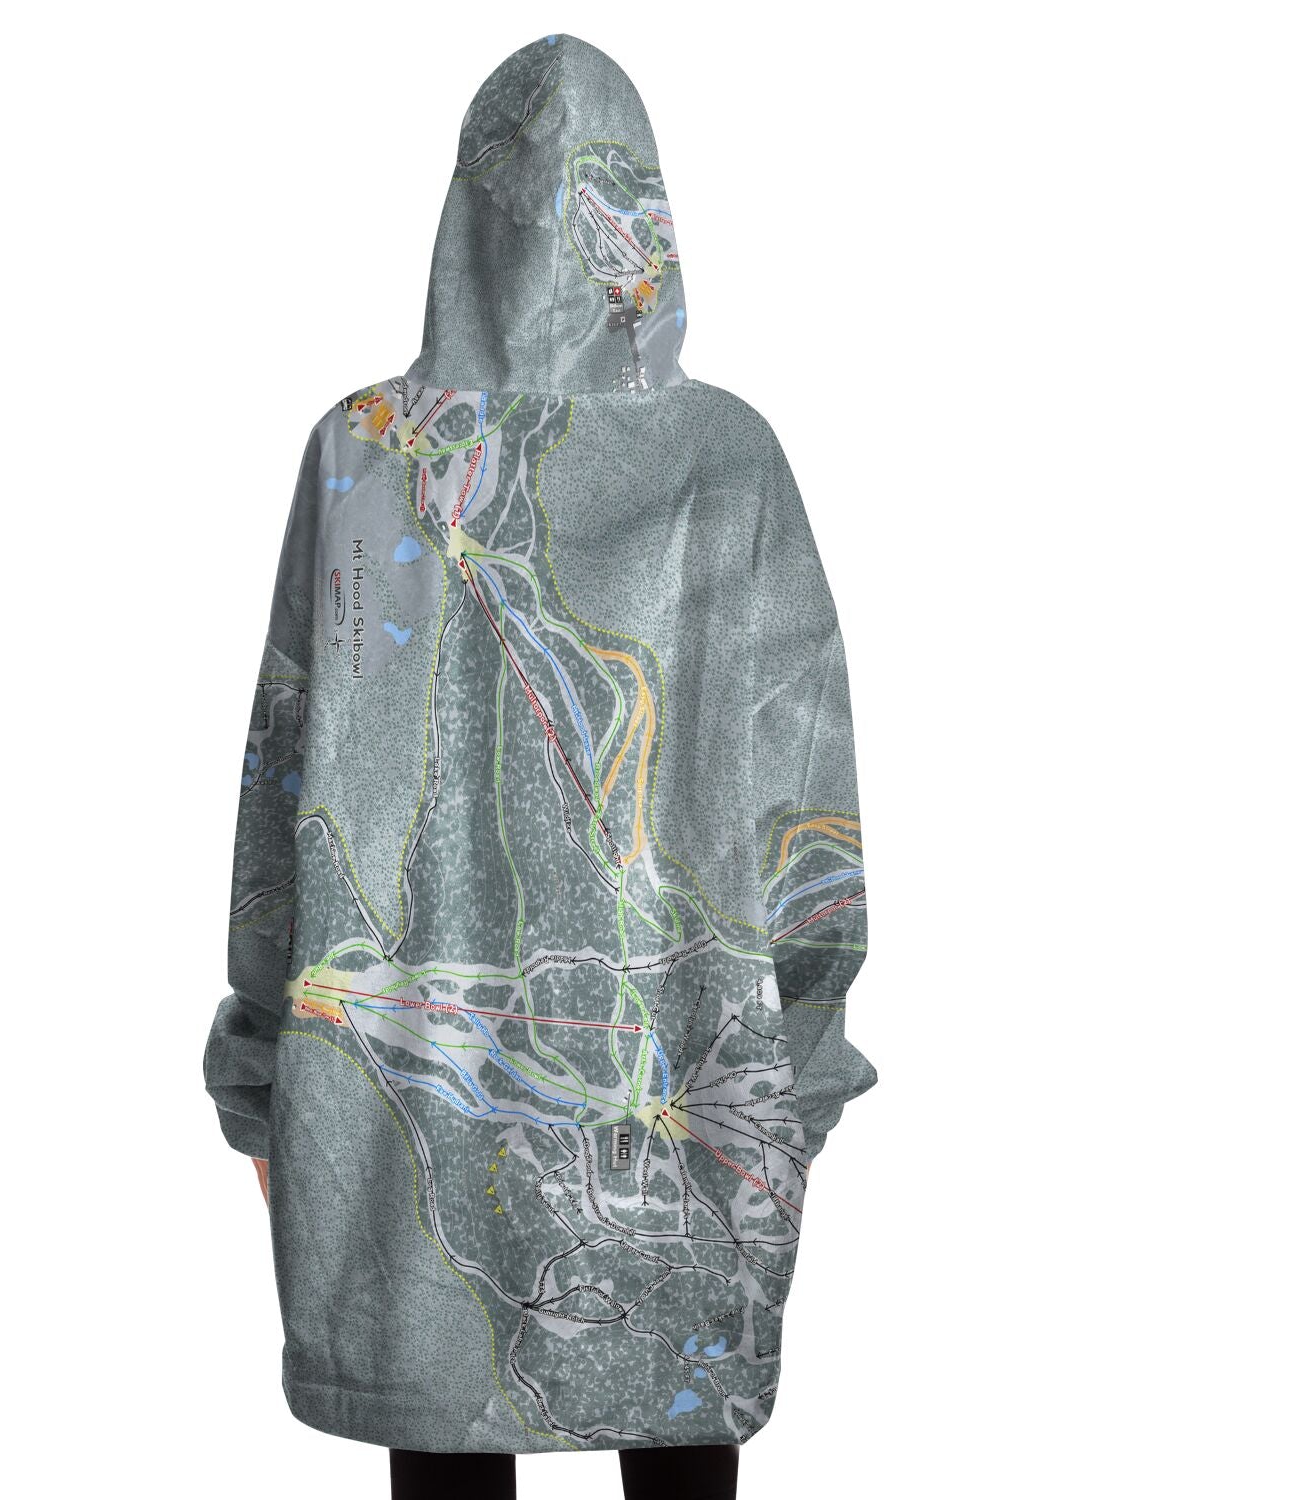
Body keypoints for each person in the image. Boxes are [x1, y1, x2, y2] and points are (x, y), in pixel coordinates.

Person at [205, 33, 877, 1499]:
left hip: (407, 1076)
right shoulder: (723, 458)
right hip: (675, 1073)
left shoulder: (366, 452)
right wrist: (804, 1071)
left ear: (466, 210)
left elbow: (280, 786)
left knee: (444, 1423)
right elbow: (809, 809)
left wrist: (261, 1070)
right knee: (674, 1430)